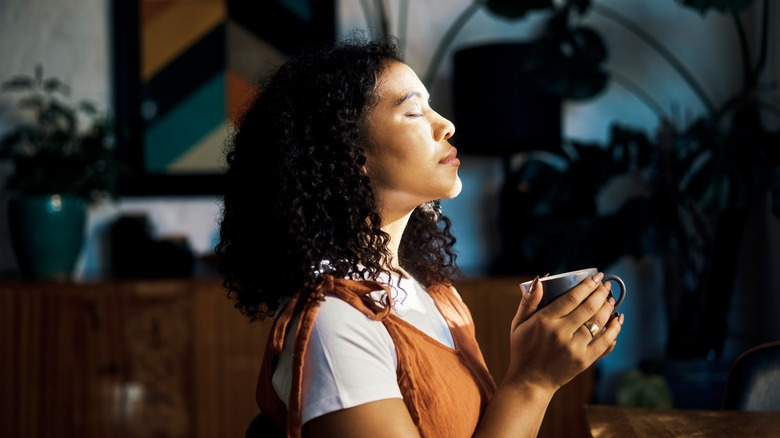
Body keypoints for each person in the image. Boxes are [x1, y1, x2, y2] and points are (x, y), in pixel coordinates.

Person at [216, 37, 624, 438]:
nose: (445, 125)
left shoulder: (436, 297)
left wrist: (537, 372)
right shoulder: (333, 326)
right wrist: (533, 382)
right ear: (350, 155)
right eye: (413, 113)